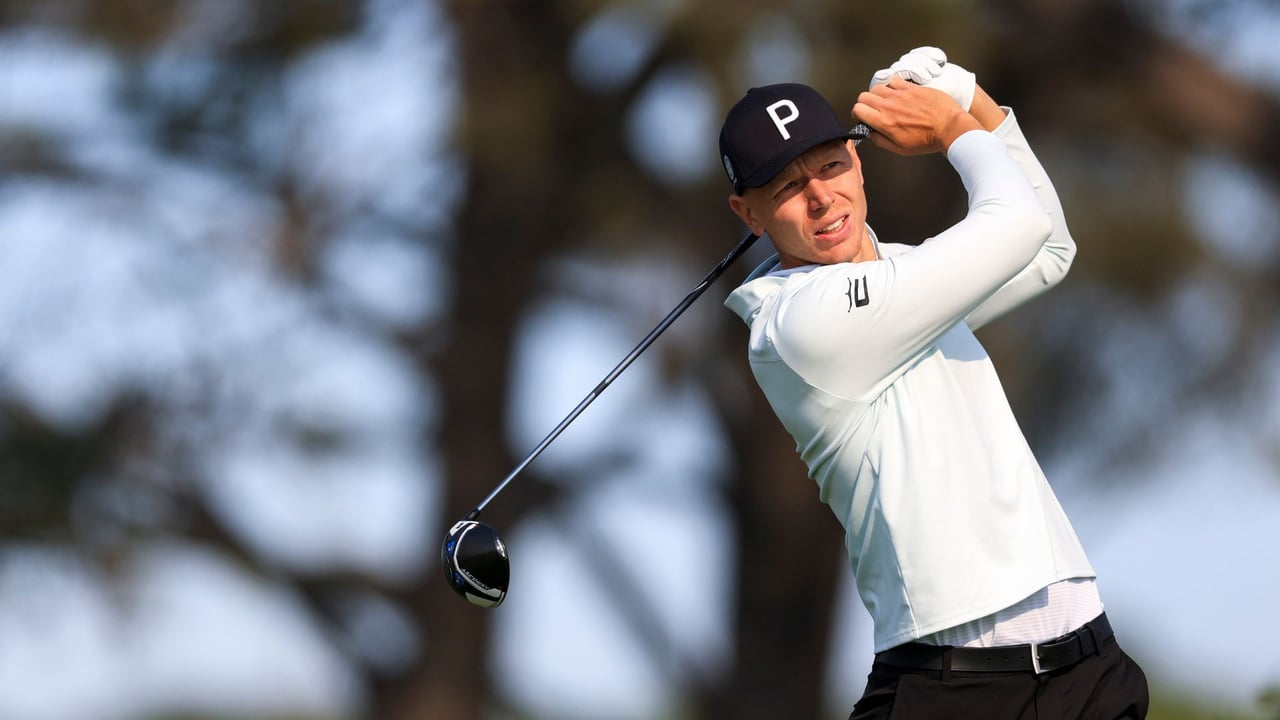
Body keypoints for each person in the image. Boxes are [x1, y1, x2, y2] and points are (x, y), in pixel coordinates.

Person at [718, 47, 1149, 719]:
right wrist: (951, 126)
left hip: (1086, 668)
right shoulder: (798, 326)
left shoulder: (903, 273)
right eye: (786, 188)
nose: (821, 197)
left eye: (830, 165)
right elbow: (1018, 223)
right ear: (749, 215)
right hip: (955, 691)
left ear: (858, 162)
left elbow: (1048, 249)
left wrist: (972, 100)